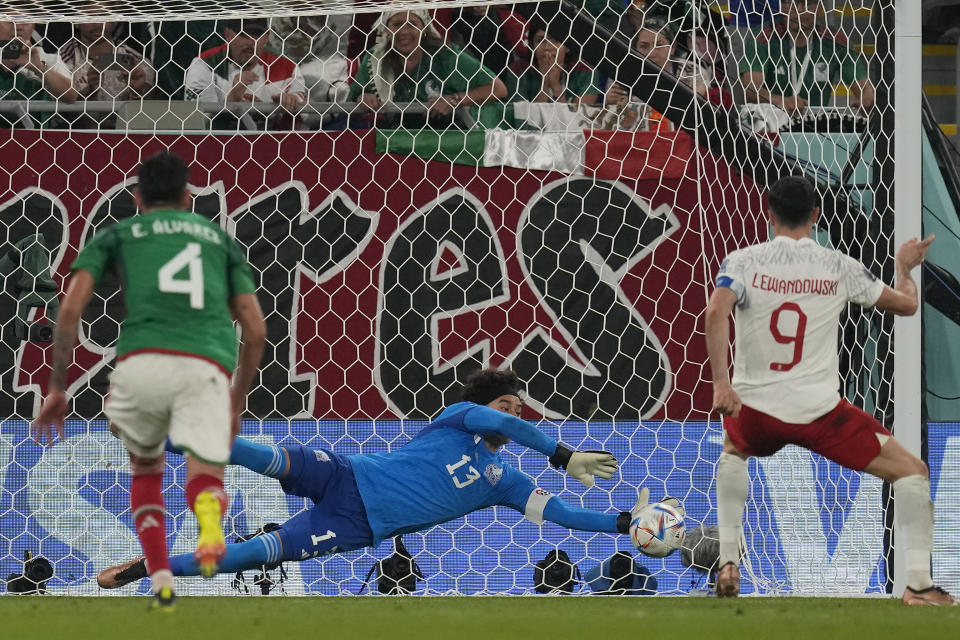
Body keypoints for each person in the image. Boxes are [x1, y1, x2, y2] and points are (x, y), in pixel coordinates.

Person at [96, 368, 657, 590]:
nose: (514, 417)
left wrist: (625, 522)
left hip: (354, 523)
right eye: (508, 405)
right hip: (345, 473)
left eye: (519, 408)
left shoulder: (502, 482)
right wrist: (561, 453)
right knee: (258, 455)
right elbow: (499, 418)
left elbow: (559, 513)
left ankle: (154, 565)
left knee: (254, 554)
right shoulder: (457, 419)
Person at [705, 175, 956, 605]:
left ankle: (729, 559)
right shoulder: (838, 265)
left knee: (733, 449)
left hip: (756, 409)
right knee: (912, 472)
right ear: (817, 217)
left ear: (768, 212)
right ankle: (917, 584)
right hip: (821, 411)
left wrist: (722, 382)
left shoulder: (742, 261)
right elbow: (907, 305)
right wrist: (904, 268)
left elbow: (716, 310)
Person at [32, 151, 267, 610]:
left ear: (138, 198)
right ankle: (208, 524)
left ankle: (160, 575)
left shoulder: (119, 234)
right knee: (205, 466)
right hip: (206, 366)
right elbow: (256, 330)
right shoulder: (218, 241)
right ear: (188, 196)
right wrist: (236, 398)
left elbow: (69, 313)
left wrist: (58, 386)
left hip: (141, 366)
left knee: (145, 471)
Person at [348, 10, 507, 129]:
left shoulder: (447, 57)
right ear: (387, 30)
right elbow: (354, 98)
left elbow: (498, 89)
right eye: (396, 24)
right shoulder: (374, 60)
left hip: (446, 140)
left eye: (412, 24)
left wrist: (454, 100)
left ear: (424, 29)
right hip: (395, 143)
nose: (404, 32)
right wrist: (363, 97)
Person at [740, 0, 874, 113]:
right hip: (772, 122)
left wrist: (868, 96)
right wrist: (780, 100)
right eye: (789, 3)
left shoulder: (834, 40)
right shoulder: (764, 37)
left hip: (816, 126)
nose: (797, 10)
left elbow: (864, 87)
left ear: (819, 9)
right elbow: (750, 88)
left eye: (806, 4)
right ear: (781, 7)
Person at [184, 18, 307, 130]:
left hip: (272, 147)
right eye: (243, 34)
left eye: (257, 34)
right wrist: (232, 101)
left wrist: (286, 106)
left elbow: (306, 118)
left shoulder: (286, 67)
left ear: (266, 37)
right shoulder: (204, 65)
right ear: (227, 34)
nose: (250, 42)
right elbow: (197, 125)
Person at [0, 21, 77, 127]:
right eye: (10, 21)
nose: (18, 27)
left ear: (33, 27)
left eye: (25, 22)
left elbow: (70, 96)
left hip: (33, 139)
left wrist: (39, 68)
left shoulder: (48, 59)